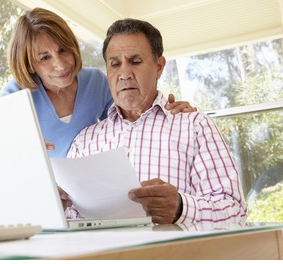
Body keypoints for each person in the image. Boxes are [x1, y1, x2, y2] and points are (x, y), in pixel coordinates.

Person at [66, 18, 248, 224]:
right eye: (115, 64)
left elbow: (235, 211)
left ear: (159, 67)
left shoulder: (195, 126)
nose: (124, 74)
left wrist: (181, 208)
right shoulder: (85, 140)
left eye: (135, 61)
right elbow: (69, 217)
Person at [0, 8, 196, 158]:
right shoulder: (15, 96)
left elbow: (131, 117)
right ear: (30, 64)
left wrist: (169, 111)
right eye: (44, 58)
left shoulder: (96, 82)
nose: (60, 65)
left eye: (63, 50)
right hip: (41, 189)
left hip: (85, 188)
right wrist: (18, 147)